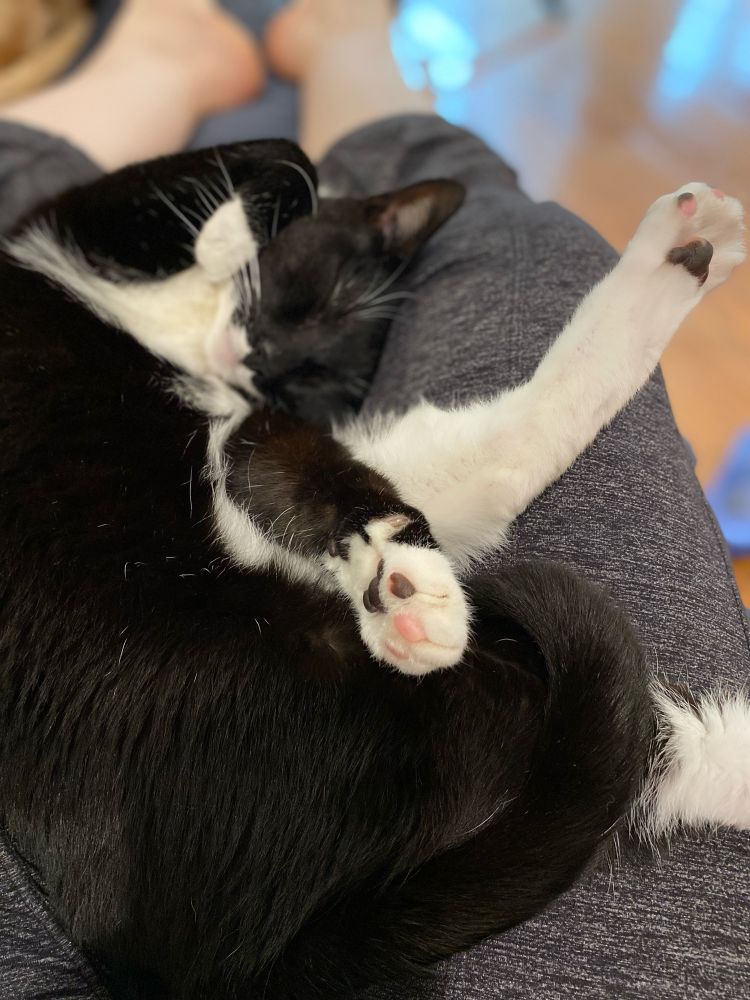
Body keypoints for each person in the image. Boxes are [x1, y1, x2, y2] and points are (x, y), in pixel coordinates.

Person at [0, 3, 747, 998]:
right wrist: (275, 178)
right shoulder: (75, 284)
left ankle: (178, 55)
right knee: (514, 238)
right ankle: (324, 48)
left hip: (179, 757)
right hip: (232, 771)